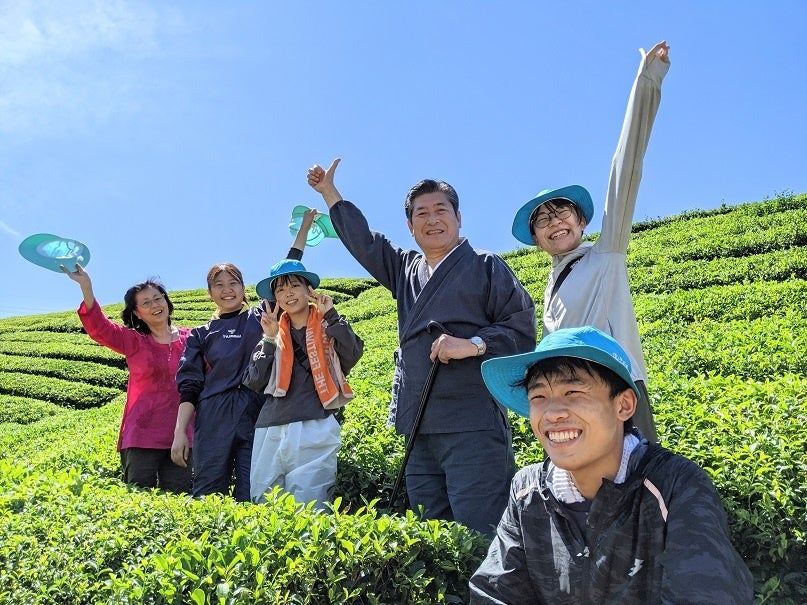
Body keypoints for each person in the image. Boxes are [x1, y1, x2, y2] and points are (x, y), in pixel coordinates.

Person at [308, 162, 536, 536]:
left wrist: (474, 344)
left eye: (441, 210)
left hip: (471, 422)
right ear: (411, 226)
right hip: (419, 425)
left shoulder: (485, 265)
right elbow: (365, 242)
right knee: (433, 538)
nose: (432, 220)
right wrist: (330, 194)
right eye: (421, 214)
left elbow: (521, 326)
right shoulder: (405, 269)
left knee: (483, 533)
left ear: (459, 218)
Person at [469, 325, 754, 604]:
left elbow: (706, 592)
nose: (553, 413)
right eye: (539, 397)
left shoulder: (676, 486)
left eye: (573, 393)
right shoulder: (526, 491)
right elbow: (494, 593)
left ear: (624, 405)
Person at [510, 41, 672, 444]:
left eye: (562, 213)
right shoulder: (552, 285)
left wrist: (646, 81)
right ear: (536, 239)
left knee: (638, 492)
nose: (554, 223)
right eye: (542, 221)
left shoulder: (605, 255)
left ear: (582, 221)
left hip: (616, 388)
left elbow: (626, 167)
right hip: (571, 402)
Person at [171, 209, 318, 501]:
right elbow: (189, 388)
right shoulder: (201, 333)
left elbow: (289, 269)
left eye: (233, 283)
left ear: (243, 287)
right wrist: (179, 433)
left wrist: (304, 229)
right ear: (209, 293)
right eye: (219, 285)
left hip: (257, 407)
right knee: (207, 491)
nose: (227, 290)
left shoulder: (261, 314)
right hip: (214, 413)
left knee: (254, 488)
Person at [242, 259, 364, 508]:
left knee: (312, 506)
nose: (287, 293)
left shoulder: (329, 324)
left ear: (309, 290)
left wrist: (331, 315)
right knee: (265, 504)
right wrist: (269, 338)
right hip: (272, 427)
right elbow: (254, 380)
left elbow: (352, 353)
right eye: (280, 290)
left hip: (314, 422)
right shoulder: (273, 332)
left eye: (295, 285)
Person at [61, 264, 193, 493]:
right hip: (141, 435)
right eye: (146, 303)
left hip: (182, 435)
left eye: (158, 298)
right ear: (136, 313)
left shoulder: (192, 338)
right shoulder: (134, 341)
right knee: (138, 501)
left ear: (167, 301)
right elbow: (100, 328)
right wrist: (86, 286)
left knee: (179, 500)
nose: (155, 305)